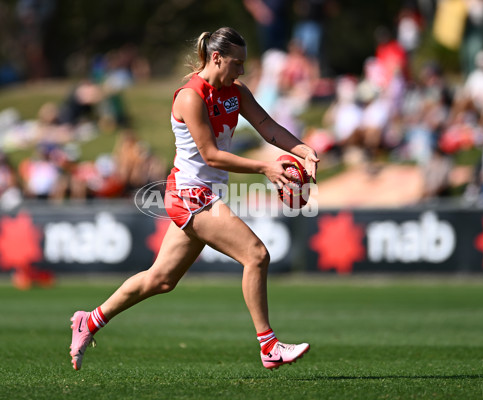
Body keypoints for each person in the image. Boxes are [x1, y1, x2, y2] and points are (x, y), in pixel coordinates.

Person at [69, 27, 319, 371]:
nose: (242, 71)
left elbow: (267, 125)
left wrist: (303, 149)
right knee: (256, 255)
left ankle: (90, 320)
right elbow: (212, 155)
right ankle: (269, 346)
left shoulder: (235, 91)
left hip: (205, 194)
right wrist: (265, 167)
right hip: (189, 195)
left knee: (161, 280)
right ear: (216, 58)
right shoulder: (190, 96)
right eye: (237, 63)